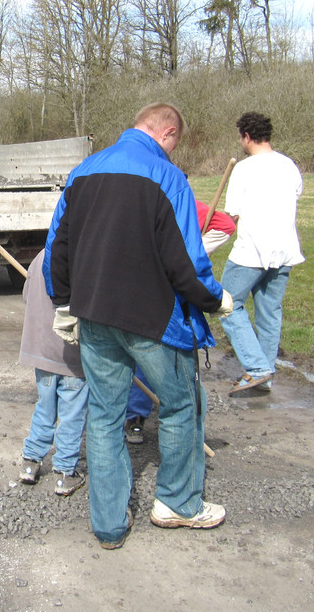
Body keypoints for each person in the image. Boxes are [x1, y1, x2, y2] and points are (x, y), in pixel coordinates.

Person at [44, 102, 232, 550]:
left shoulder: (83, 172)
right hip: (153, 320)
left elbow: (57, 247)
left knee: (105, 417)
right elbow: (186, 259)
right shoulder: (169, 177)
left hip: (94, 316)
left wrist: (64, 303)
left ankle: (108, 524)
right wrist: (214, 299)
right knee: (182, 404)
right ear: (167, 133)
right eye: (175, 142)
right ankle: (178, 504)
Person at [126, 202, 237, 444]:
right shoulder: (149, 199)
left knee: (162, 355)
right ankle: (140, 417)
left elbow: (226, 225)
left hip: (166, 293)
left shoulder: (182, 204)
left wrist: (191, 253)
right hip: (147, 289)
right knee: (150, 354)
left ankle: (174, 427)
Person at [220, 112, 304, 394]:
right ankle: (264, 376)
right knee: (270, 314)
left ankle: (258, 368)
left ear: (246, 136)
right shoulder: (289, 165)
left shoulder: (244, 169)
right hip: (285, 251)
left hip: (251, 252)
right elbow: (295, 195)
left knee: (227, 306)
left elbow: (233, 213)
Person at [17, 248, 89, 497]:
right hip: (71, 355)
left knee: (45, 406)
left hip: (41, 352)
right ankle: (65, 472)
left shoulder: (41, 256)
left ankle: (30, 463)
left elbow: (28, 296)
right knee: (72, 413)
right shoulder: (81, 257)